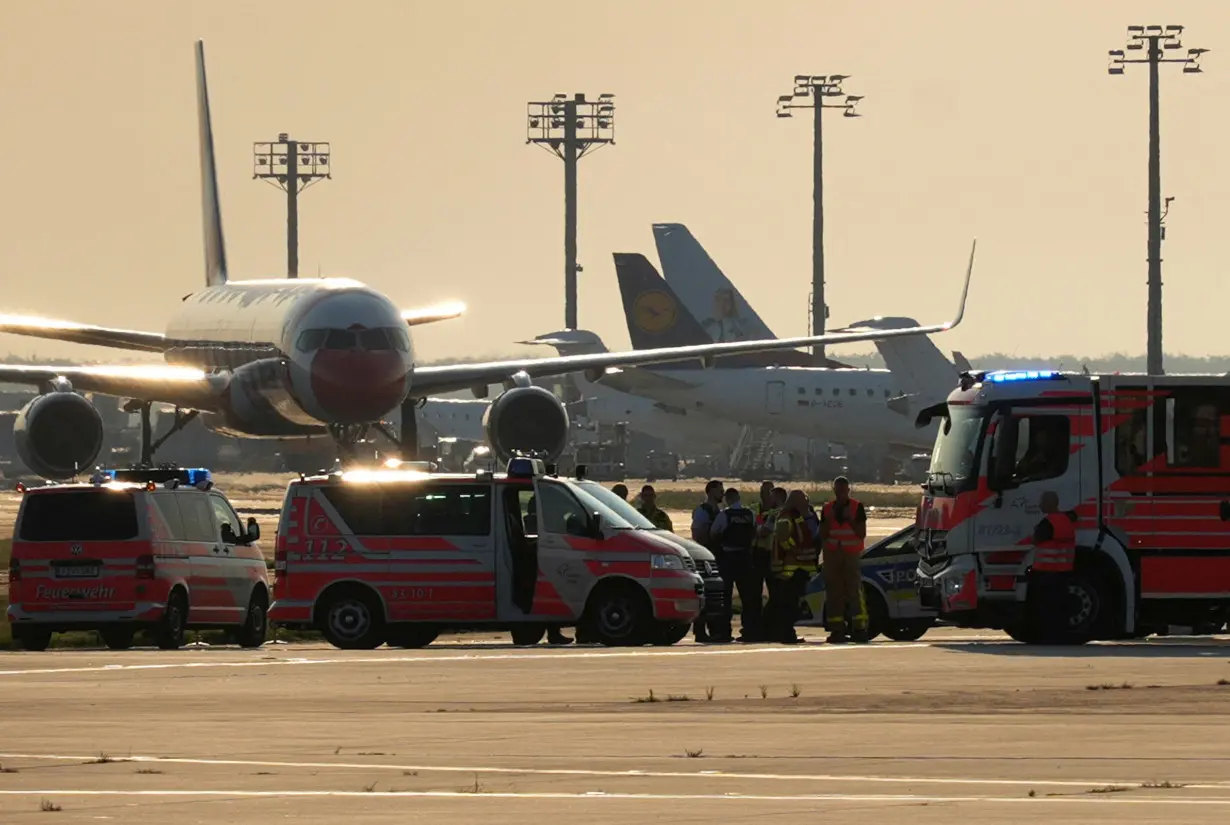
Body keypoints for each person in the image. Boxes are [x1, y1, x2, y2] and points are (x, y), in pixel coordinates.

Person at [819, 476, 868, 644]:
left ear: (848, 490)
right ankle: (837, 630)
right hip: (833, 555)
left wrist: (850, 520)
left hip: (851, 555)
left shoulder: (856, 507)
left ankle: (859, 629)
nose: (840, 494)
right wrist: (831, 520)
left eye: (843, 490)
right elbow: (823, 534)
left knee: (854, 592)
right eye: (837, 491)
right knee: (834, 593)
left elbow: (861, 533)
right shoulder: (827, 509)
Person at [710, 487, 761, 643]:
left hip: (728, 558)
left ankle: (724, 632)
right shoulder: (750, 514)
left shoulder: (724, 515)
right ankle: (750, 631)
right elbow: (756, 532)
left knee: (725, 597)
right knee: (748, 597)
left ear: (727, 499)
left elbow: (713, 533)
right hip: (745, 557)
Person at [521, 494, 572, 645]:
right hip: (539, 563)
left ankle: (552, 632)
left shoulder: (532, 521)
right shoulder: (543, 522)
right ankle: (553, 632)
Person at [768, 489, 816, 644]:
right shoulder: (786, 516)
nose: (806, 502)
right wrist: (794, 550)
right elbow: (783, 538)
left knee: (791, 602)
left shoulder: (797, 516)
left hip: (798, 568)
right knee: (787, 602)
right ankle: (785, 633)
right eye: (803, 499)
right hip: (789, 569)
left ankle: (786, 632)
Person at [1028, 490, 1077, 639]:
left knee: (1045, 607)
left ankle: (1046, 635)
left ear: (1050, 503)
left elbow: (1035, 540)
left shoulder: (1048, 523)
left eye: (1042, 502)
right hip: (1064, 572)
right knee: (1060, 606)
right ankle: (1060, 634)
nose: (1040, 505)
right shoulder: (1066, 521)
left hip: (1045, 573)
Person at [690, 479, 726, 642]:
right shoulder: (702, 511)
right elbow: (697, 533)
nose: (722, 493)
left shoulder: (719, 511)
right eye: (720, 490)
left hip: (717, 556)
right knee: (706, 594)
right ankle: (700, 630)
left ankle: (715, 630)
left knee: (715, 596)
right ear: (711, 491)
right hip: (706, 557)